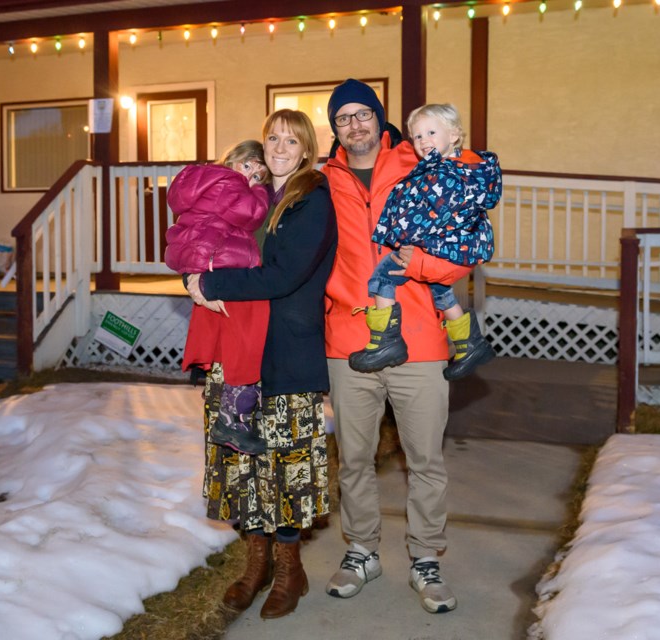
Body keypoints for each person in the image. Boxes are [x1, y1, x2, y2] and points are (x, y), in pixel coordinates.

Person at [320, 79, 470, 614]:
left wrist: (420, 268)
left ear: (379, 120)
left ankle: (426, 557)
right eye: (344, 118)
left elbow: (462, 237)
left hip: (419, 337)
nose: (355, 125)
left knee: (425, 458)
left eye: (364, 114)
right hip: (348, 337)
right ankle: (362, 550)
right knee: (354, 458)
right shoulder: (322, 180)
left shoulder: (420, 161)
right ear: (334, 128)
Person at [185, 109, 338, 619]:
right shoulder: (246, 195)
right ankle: (255, 567)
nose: (277, 147)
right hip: (237, 351)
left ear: (306, 149)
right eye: (272, 138)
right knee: (241, 466)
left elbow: (281, 275)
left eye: (290, 141)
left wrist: (211, 286)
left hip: (287, 354)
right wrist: (196, 269)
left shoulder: (311, 201)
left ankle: (290, 571)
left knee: (286, 465)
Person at [349, 103, 501, 380]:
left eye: (431, 132)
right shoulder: (462, 167)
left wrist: (400, 236)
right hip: (454, 245)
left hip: (445, 244)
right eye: (417, 136)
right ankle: (470, 342)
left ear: (454, 134)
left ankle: (386, 339)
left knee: (384, 275)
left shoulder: (446, 173)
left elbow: (429, 213)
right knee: (439, 289)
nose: (423, 141)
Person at [164, 141, 271, 455]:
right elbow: (251, 214)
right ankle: (233, 418)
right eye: (249, 166)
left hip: (207, 262)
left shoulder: (203, 180)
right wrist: (261, 192)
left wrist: (195, 278)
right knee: (245, 345)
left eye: (259, 174)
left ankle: (232, 416)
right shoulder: (232, 186)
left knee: (239, 345)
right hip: (222, 267)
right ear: (233, 159)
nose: (252, 175)